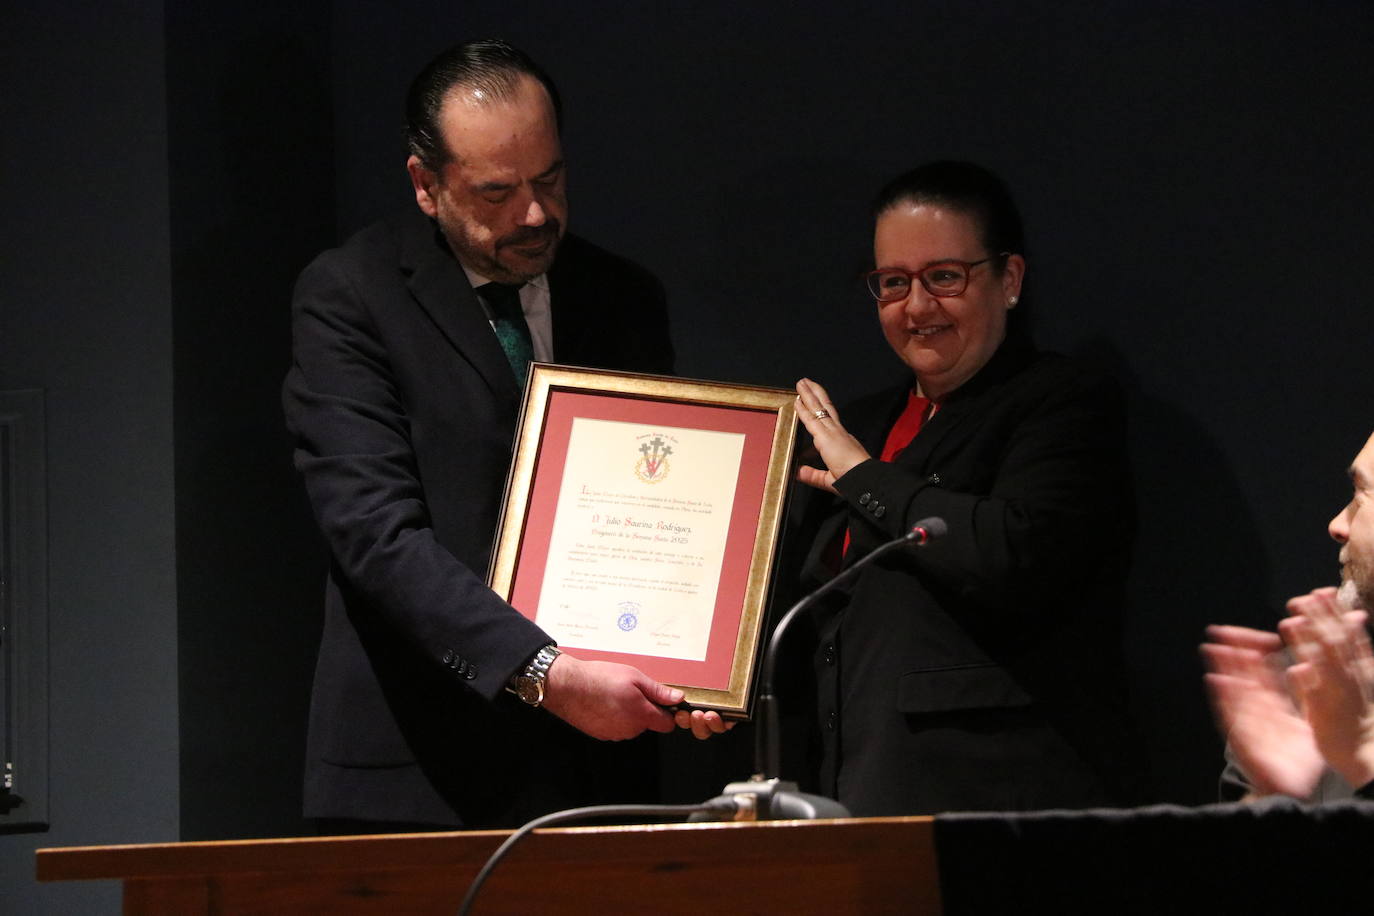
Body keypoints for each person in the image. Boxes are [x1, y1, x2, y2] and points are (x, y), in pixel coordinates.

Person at [283, 39, 722, 831]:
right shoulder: (352, 296)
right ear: (426, 185)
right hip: (417, 780)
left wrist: (700, 661)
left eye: (550, 178)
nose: (535, 213)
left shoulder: (621, 296)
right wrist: (544, 673)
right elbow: (376, 536)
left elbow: (661, 508)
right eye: (496, 192)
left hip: (599, 777)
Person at [787, 161, 1139, 816]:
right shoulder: (854, 425)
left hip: (997, 808)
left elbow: (1016, 554)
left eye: (943, 277)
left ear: (1008, 279)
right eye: (893, 283)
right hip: (849, 796)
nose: (917, 307)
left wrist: (864, 476)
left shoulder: (1061, 401)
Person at [1204, 431, 1374, 801]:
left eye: (1362, 496)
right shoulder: (1308, 682)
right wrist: (1273, 798)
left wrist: (1364, 761)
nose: (1337, 524)